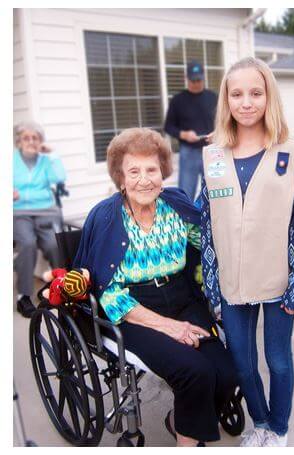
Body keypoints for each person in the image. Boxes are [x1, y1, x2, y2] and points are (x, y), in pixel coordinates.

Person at [73, 127, 238, 447]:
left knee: (227, 372)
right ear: (120, 178)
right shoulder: (106, 218)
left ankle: (180, 422)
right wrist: (170, 328)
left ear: (163, 172)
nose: (144, 179)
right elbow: (108, 292)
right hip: (133, 311)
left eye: (152, 169)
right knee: (195, 372)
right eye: (133, 171)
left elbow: (207, 245)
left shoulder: (175, 205)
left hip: (182, 296)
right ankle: (187, 444)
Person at [199, 57, 294, 447]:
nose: (246, 102)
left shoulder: (291, 152)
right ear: (226, 101)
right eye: (237, 94)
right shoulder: (212, 156)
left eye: (256, 93)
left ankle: (278, 428)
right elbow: (207, 224)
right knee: (243, 364)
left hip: (278, 278)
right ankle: (260, 422)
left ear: (269, 97)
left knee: (278, 360)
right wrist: (211, 283)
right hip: (232, 281)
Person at [13, 121, 66, 317]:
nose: (31, 141)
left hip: (46, 211)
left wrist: (52, 154)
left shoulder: (45, 160)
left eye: (35, 138)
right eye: (26, 138)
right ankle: (23, 296)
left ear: (40, 141)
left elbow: (59, 178)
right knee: (27, 244)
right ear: (19, 141)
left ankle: (59, 288)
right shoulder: (10, 159)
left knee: (54, 244)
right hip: (18, 213)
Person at [164, 60, 218, 199]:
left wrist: (217, 134)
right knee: (186, 193)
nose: (196, 83)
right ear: (186, 78)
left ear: (203, 77)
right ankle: (187, 220)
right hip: (189, 153)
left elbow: (224, 122)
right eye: (193, 80)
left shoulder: (214, 98)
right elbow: (168, 127)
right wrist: (184, 134)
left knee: (216, 191)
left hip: (212, 151)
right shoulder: (178, 100)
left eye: (199, 80)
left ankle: (213, 220)